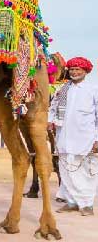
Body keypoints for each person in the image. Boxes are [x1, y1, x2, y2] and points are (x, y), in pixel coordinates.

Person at [49, 57, 98, 216]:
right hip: (63, 136)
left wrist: (97, 139)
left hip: (86, 138)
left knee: (86, 171)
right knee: (65, 169)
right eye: (72, 70)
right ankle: (71, 202)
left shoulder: (93, 89)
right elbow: (53, 107)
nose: (74, 72)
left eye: (78, 70)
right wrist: (50, 121)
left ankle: (87, 204)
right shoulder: (63, 89)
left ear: (85, 71)